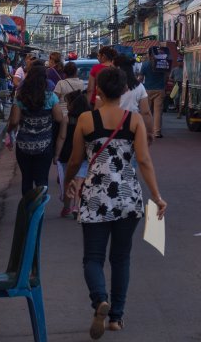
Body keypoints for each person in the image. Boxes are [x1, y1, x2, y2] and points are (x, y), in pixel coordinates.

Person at [64, 67, 167, 338]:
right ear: (124, 91)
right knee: (121, 259)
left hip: (95, 196)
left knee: (93, 259)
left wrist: (68, 183)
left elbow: (75, 160)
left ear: (97, 91)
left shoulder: (86, 120)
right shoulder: (133, 121)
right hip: (127, 198)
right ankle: (116, 318)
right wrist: (156, 196)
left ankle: (100, 300)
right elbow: (144, 161)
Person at [8, 65, 66, 196]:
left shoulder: (21, 96)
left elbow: (14, 121)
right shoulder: (51, 97)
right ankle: (38, 214)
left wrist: (9, 131)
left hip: (23, 146)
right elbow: (58, 118)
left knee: (26, 180)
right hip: (44, 146)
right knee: (42, 181)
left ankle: (27, 212)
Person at [58, 90, 90, 218]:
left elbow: (62, 137)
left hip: (67, 153)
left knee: (68, 180)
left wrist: (56, 154)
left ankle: (67, 207)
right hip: (84, 153)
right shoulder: (89, 119)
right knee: (80, 180)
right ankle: (77, 205)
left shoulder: (67, 119)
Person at [114, 56, 152, 135]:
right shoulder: (139, 87)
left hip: (111, 125)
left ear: (117, 67)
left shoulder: (109, 85)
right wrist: (149, 132)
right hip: (132, 126)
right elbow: (145, 112)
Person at [141, 47, 169, 139]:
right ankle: (157, 132)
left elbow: (141, 78)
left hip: (147, 90)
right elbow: (166, 77)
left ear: (149, 55)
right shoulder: (162, 64)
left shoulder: (145, 65)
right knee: (158, 112)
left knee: (147, 112)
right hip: (160, 90)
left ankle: (146, 131)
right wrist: (163, 85)